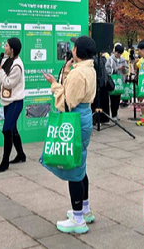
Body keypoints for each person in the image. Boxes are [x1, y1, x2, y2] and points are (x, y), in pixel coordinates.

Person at [42, 36, 97, 234]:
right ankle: (85, 209)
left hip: (74, 118)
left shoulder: (78, 73)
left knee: (74, 169)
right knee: (80, 164)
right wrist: (66, 71)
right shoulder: (88, 69)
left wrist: (54, 85)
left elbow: (66, 103)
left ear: (77, 50)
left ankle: (78, 219)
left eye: (73, 46)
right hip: (84, 116)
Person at [0, 38, 26, 173]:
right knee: (13, 129)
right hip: (7, 101)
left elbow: (8, 83)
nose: (4, 48)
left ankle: (5, 162)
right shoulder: (7, 60)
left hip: (15, 102)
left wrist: (0, 70)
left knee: (7, 130)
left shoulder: (17, 65)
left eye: (6, 46)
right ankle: (21, 155)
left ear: (12, 49)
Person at [106, 44, 129, 121]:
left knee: (118, 98)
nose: (118, 55)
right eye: (117, 53)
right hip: (113, 82)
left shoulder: (123, 60)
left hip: (120, 82)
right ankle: (113, 114)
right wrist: (116, 69)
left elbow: (127, 70)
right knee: (113, 98)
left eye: (120, 53)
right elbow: (107, 70)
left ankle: (116, 113)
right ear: (115, 52)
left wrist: (124, 69)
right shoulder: (110, 59)